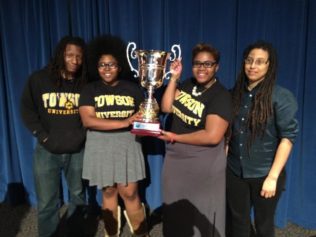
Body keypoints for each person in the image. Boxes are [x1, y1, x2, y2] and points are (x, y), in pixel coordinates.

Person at [158, 43, 232, 237]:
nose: (202, 68)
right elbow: (166, 107)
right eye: (197, 63)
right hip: (176, 159)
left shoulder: (221, 96)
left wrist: (176, 137)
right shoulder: (188, 84)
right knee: (175, 211)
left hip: (202, 162)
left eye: (208, 64)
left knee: (200, 213)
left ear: (217, 67)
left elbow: (212, 136)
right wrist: (174, 78)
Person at [226, 41, 299, 237]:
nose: (252, 66)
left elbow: (287, 138)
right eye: (249, 61)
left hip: (265, 174)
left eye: (260, 62)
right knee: (237, 223)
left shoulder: (281, 96)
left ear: (269, 65)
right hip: (234, 172)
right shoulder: (234, 94)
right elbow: (229, 135)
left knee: (263, 225)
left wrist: (273, 177)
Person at [79, 35, 148, 237]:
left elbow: (144, 115)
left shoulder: (133, 88)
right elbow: (88, 120)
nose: (107, 68)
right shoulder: (89, 90)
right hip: (100, 146)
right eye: (102, 65)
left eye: (112, 64)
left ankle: (142, 233)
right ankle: (111, 233)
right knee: (108, 191)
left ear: (120, 66)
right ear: (96, 66)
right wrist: (125, 122)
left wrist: (150, 111)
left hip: (127, 144)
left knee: (130, 192)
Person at [20, 36, 87, 237]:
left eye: (79, 56)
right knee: (47, 202)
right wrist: (43, 136)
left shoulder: (85, 83)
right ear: (60, 56)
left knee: (78, 198)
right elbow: (27, 110)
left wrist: (82, 136)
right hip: (46, 150)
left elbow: (93, 112)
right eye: (70, 55)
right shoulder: (39, 79)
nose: (75, 60)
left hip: (77, 150)